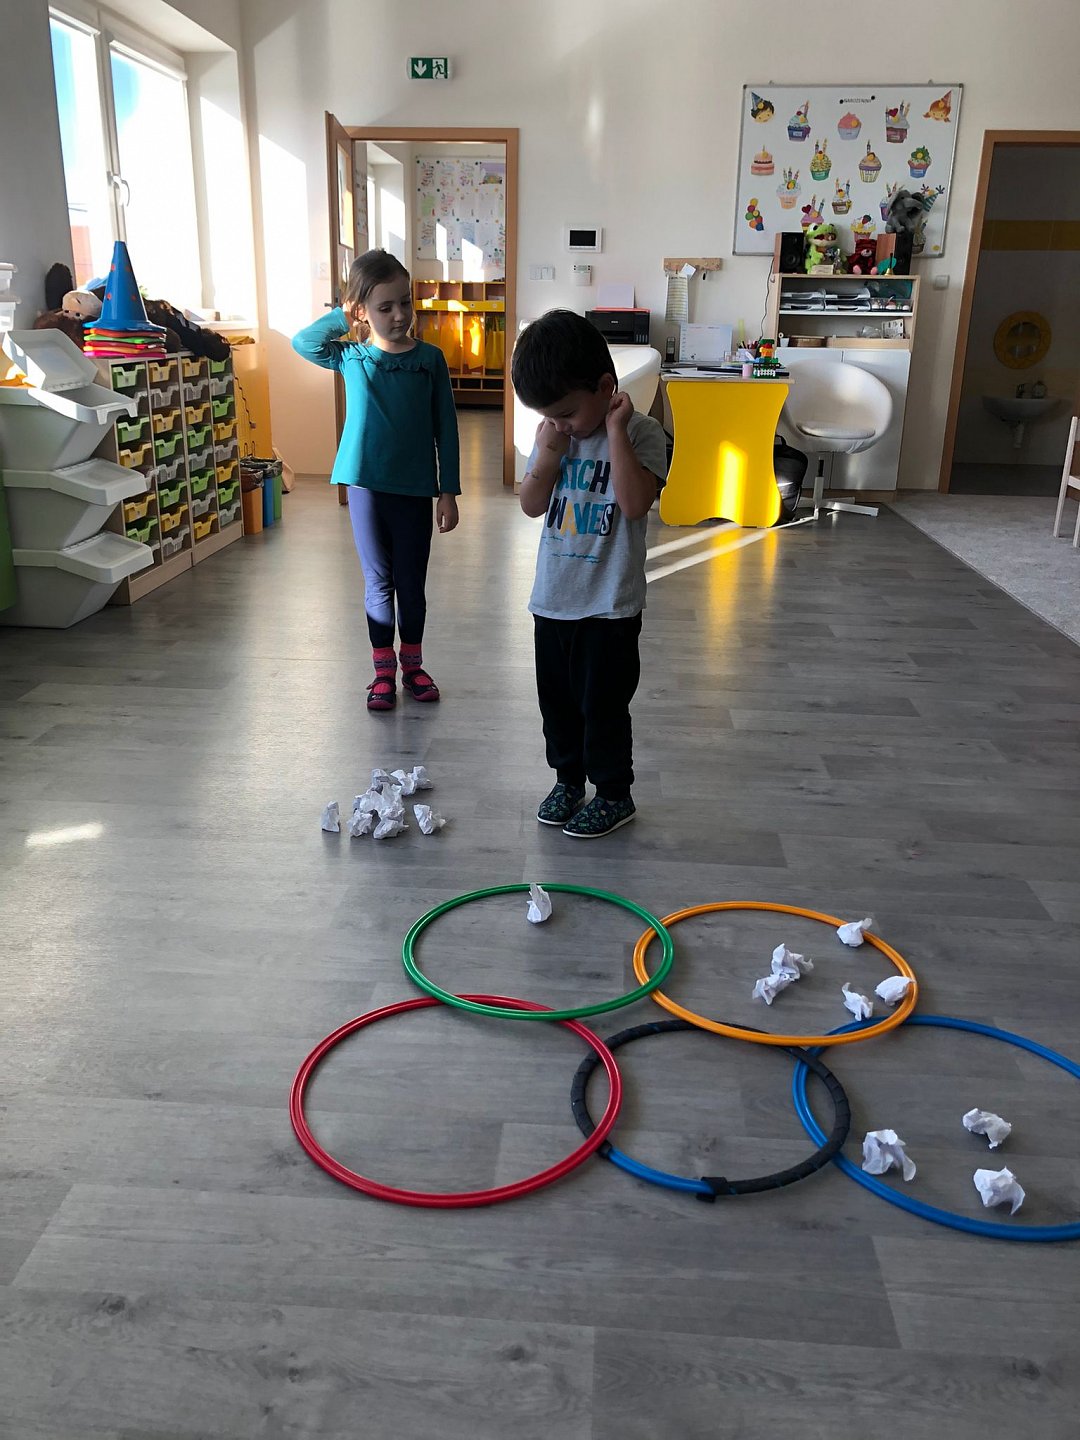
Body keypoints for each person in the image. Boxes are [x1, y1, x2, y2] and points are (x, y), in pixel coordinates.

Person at [512, 310, 666, 838]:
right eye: (548, 416)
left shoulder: (643, 433)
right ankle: (567, 780)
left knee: (603, 706)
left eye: (567, 413)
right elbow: (531, 504)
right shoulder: (555, 437)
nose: (559, 424)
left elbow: (634, 503)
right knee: (557, 704)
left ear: (606, 388)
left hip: (609, 607)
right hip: (553, 600)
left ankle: (614, 793)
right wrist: (548, 453)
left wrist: (616, 432)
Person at [292, 249, 459, 710]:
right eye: (385, 307)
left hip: (415, 489)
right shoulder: (350, 356)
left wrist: (448, 491)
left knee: (411, 582)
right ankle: (383, 671)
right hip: (365, 485)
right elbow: (304, 342)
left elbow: (446, 428)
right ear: (362, 311)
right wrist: (342, 315)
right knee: (378, 581)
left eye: (405, 302)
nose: (400, 314)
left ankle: (413, 666)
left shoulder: (429, 360)